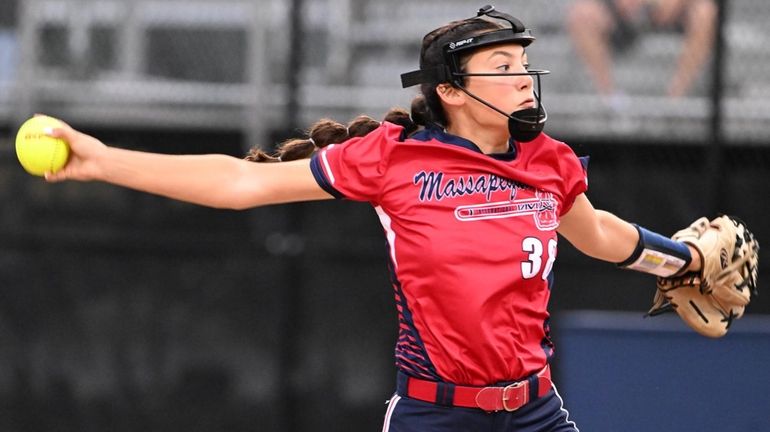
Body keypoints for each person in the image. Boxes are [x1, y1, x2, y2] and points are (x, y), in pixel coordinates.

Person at [41, 5, 703, 431]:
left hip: (535, 412)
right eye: (501, 67)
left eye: (525, 63)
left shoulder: (547, 161)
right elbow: (239, 183)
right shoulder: (395, 160)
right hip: (435, 417)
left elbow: (600, 235)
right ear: (450, 91)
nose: (524, 77)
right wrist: (105, 162)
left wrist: (684, 260)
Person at [567, 0, 717, 99]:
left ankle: (675, 98)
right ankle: (610, 99)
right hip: (622, 14)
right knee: (581, 15)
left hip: (676, 13)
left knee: (706, 13)